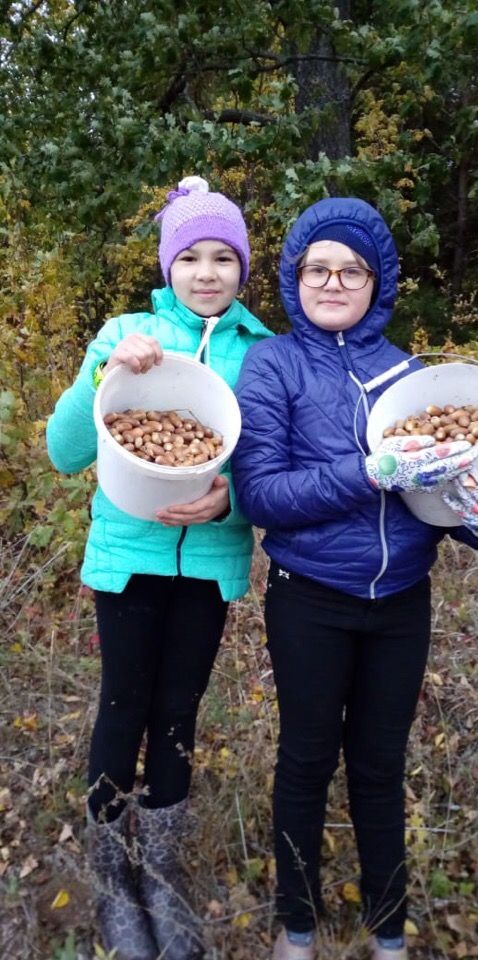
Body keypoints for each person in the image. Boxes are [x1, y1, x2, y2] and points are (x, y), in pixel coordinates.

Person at [231, 196, 478, 960]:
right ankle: (297, 922)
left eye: (350, 269)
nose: (333, 281)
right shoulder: (274, 364)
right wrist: (367, 471)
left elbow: (443, 493)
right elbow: (263, 496)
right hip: (311, 601)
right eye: (316, 268)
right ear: (295, 278)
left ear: (376, 280)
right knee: (306, 757)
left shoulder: (414, 375)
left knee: (381, 765)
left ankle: (388, 929)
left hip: (400, 604)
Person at [46, 176, 272, 960]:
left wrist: (231, 502)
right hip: (130, 560)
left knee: (178, 717)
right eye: (191, 257)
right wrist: (102, 368)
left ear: (244, 268)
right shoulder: (129, 331)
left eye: (223, 258)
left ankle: (164, 884)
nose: (207, 273)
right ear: (167, 264)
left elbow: (270, 471)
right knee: (122, 709)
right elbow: (66, 450)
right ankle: (114, 886)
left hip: (209, 566)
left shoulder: (264, 352)